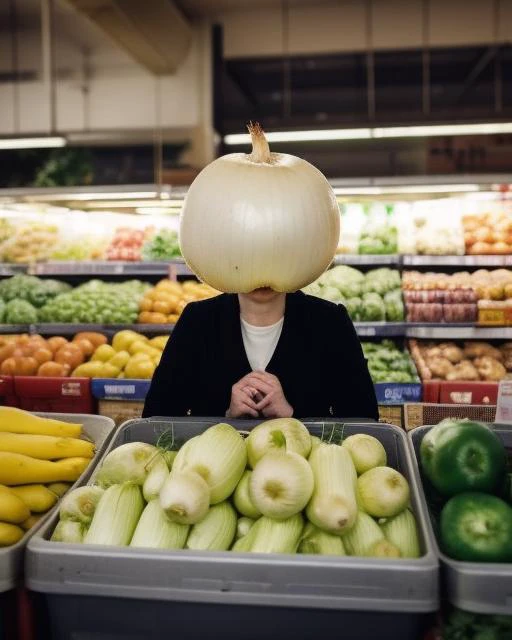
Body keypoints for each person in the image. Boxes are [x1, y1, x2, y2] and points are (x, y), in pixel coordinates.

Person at [142, 286, 378, 420]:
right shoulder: (197, 320)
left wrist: (291, 416)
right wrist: (227, 417)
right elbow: (156, 418)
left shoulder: (330, 321)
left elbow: (364, 421)